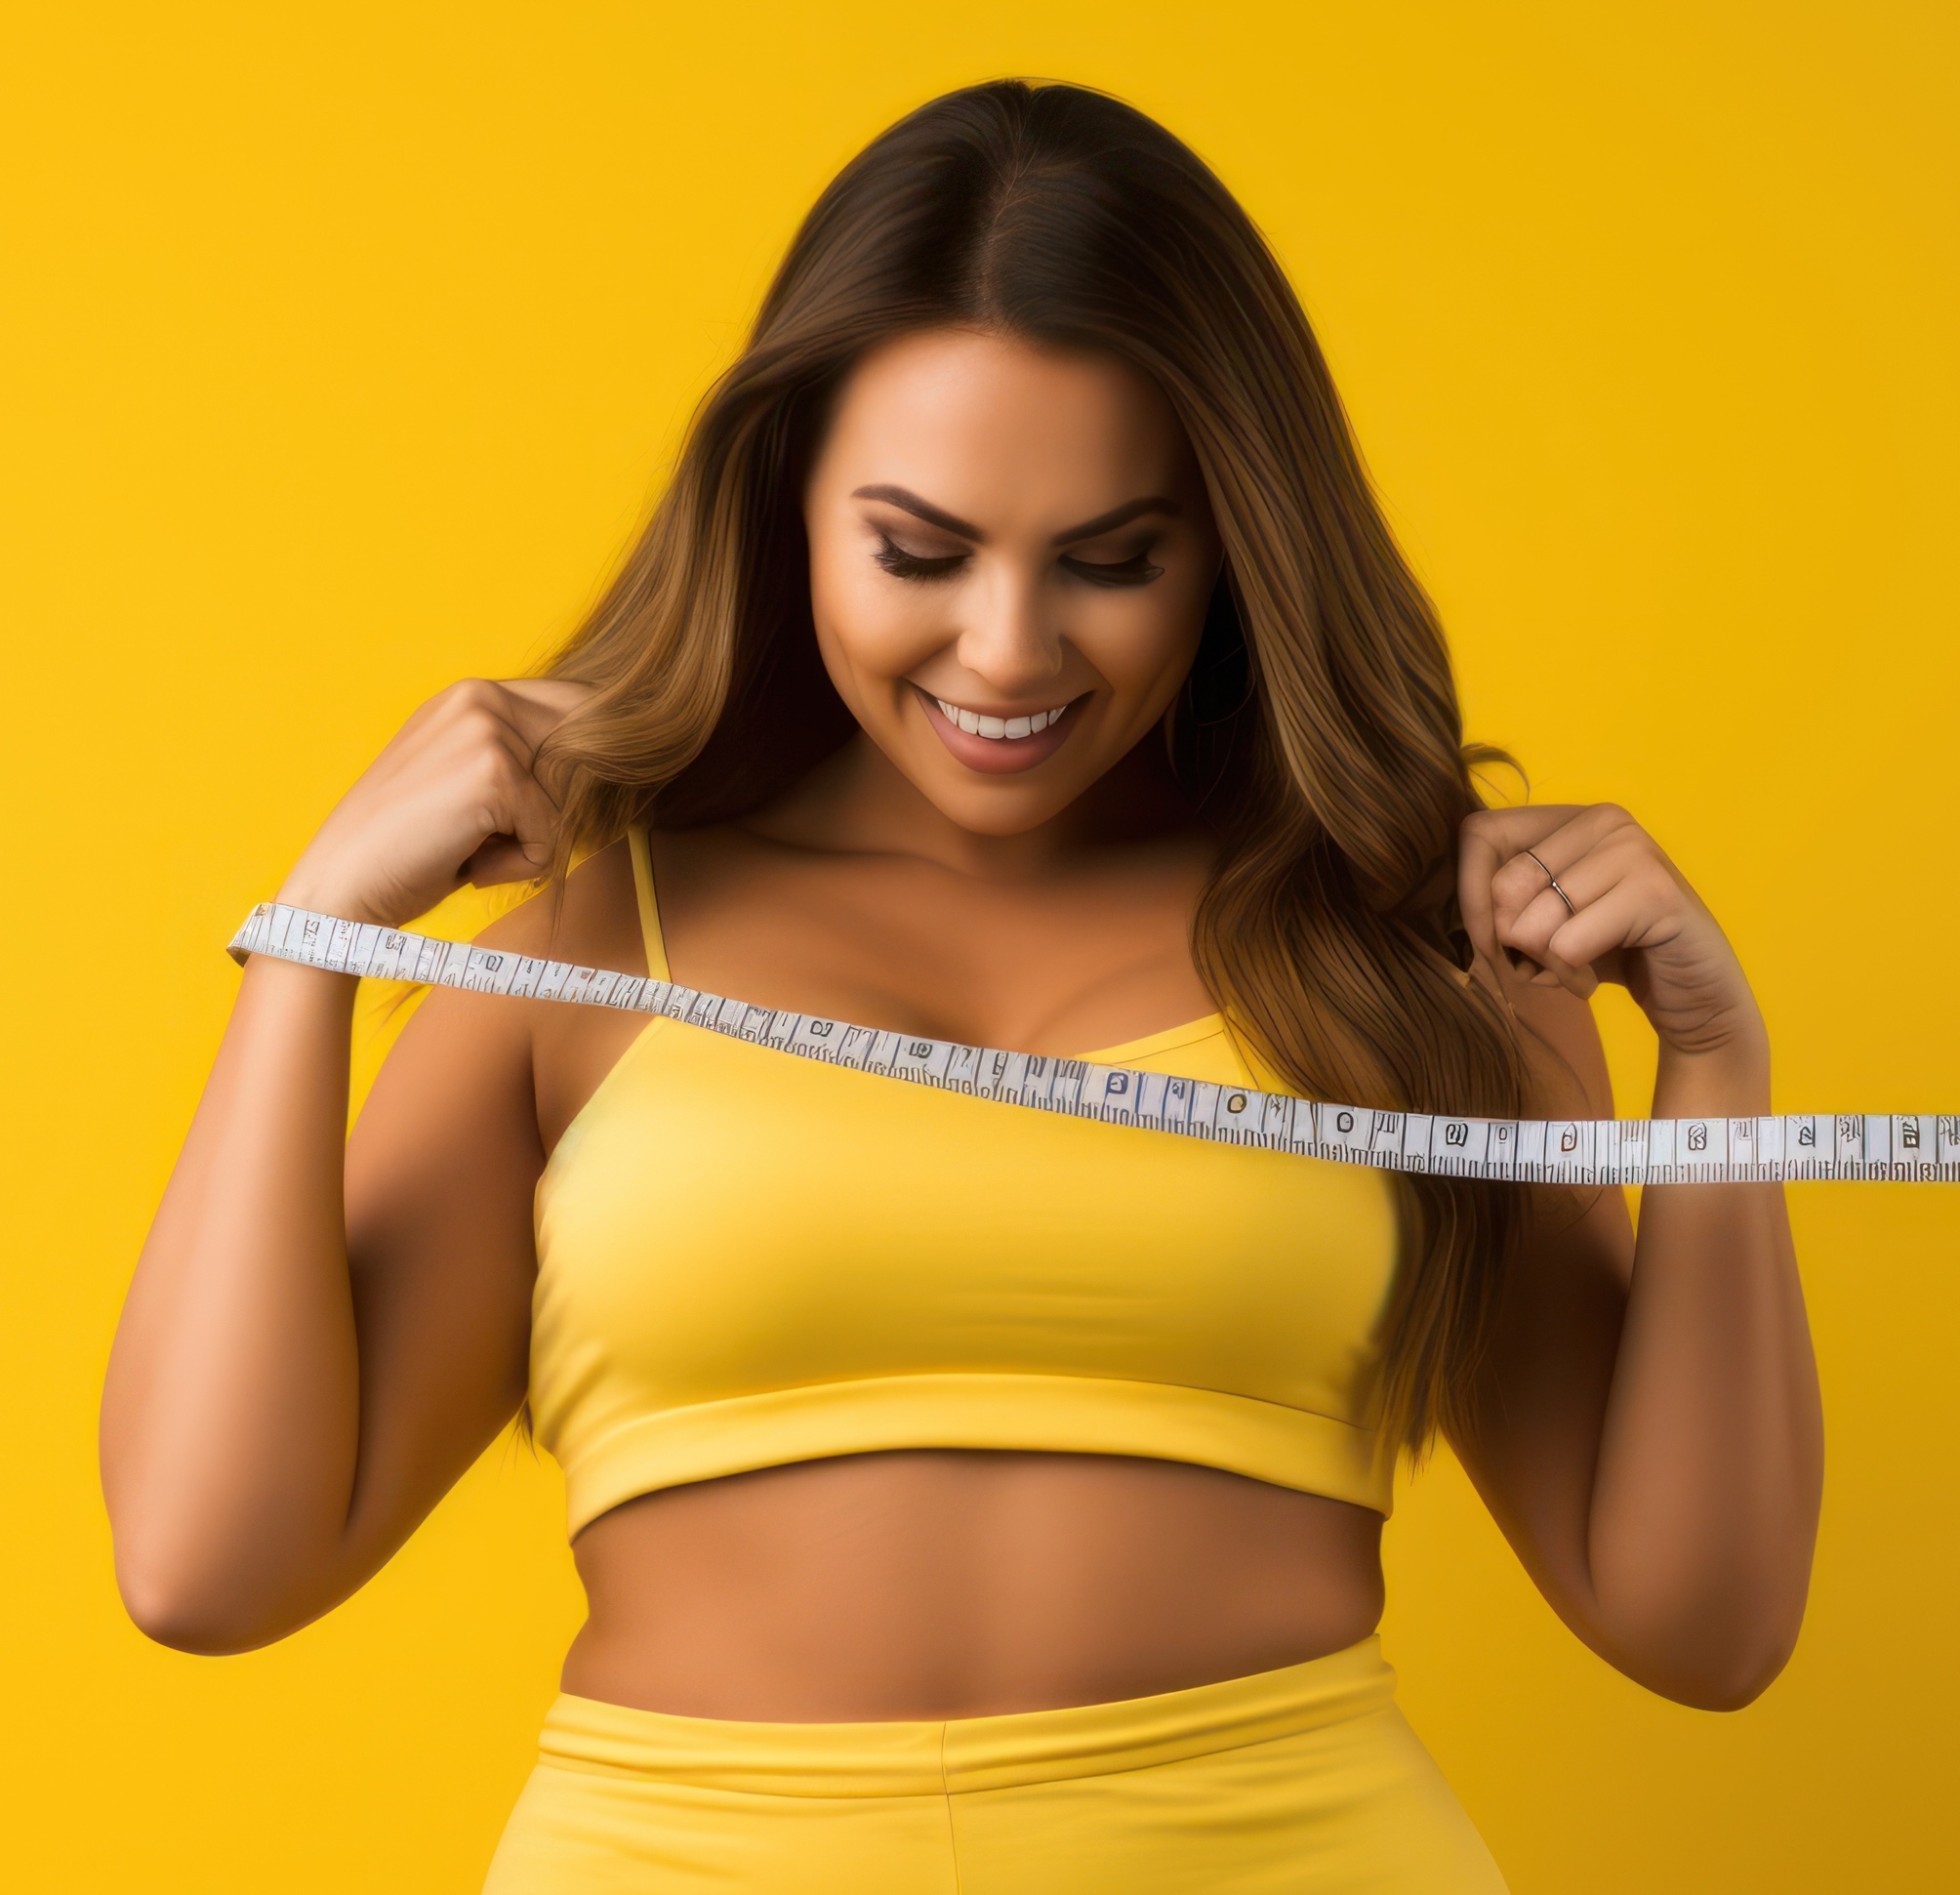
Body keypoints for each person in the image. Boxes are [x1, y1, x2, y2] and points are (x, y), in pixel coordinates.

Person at [102, 80, 1822, 1892]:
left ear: (1230, 542)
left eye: (1113, 559)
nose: (1007, 650)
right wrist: (310, 939)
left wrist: (1713, 1058)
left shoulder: (1408, 952)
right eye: (917, 551)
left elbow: (1700, 1624)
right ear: (787, 509)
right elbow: (210, 1567)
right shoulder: (591, 947)